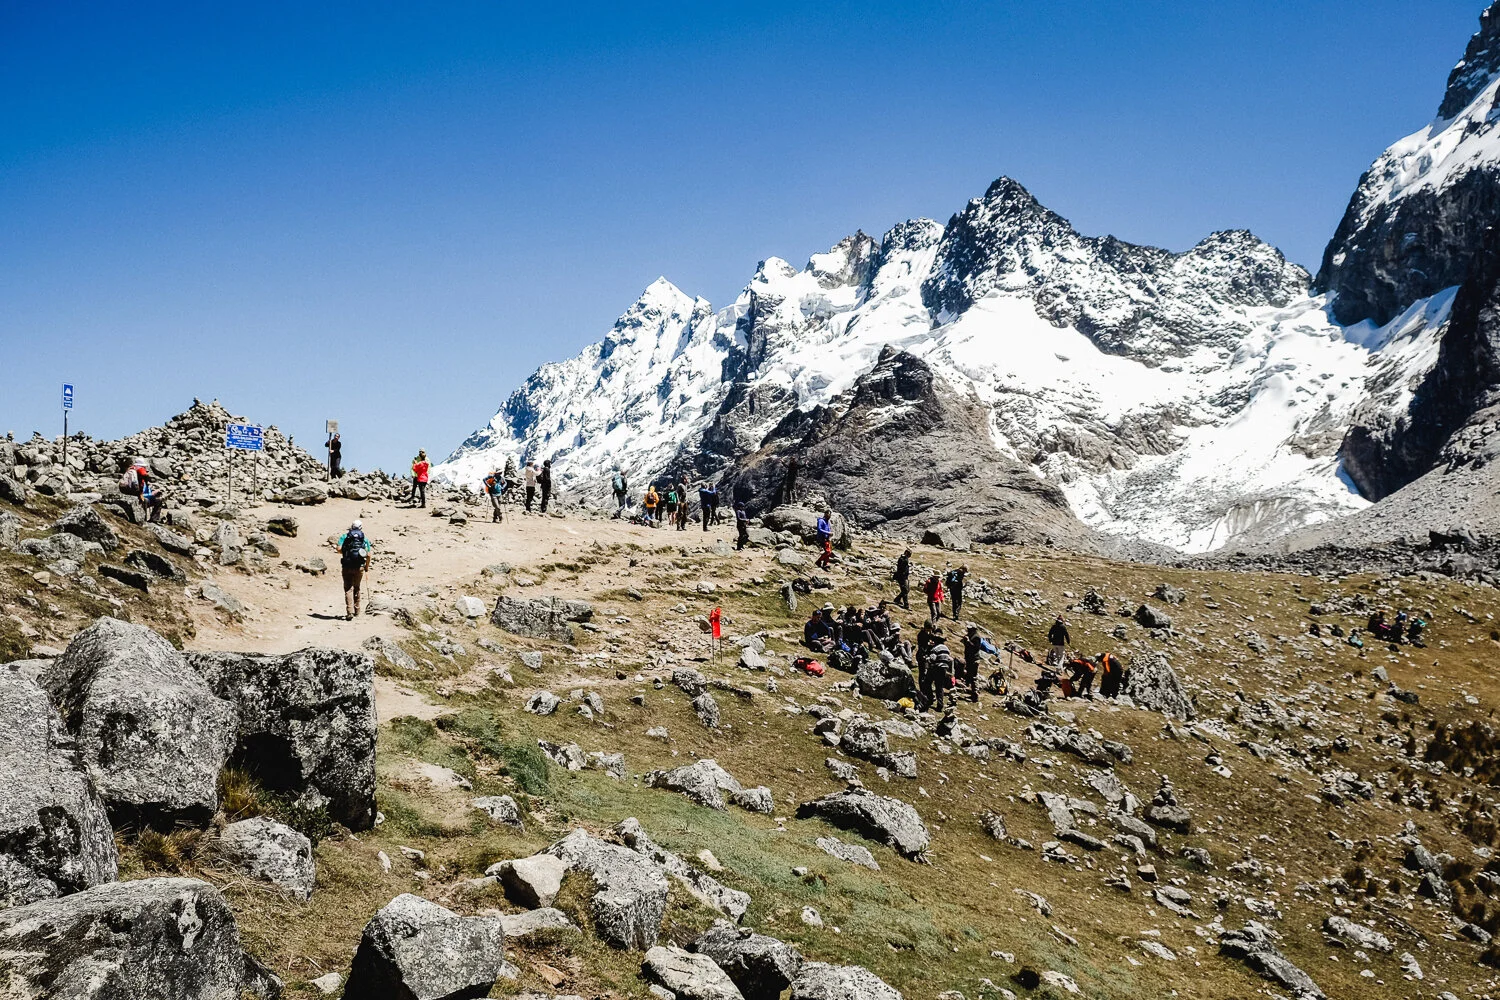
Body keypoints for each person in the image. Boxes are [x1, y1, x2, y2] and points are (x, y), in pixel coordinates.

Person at [336, 520, 373, 620]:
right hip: (359, 566)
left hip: (347, 565)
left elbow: (338, 549)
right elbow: (368, 555)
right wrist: (366, 566)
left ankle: (349, 612)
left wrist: (347, 552)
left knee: (348, 588)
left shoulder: (345, 537)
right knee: (357, 587)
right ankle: (357, 610)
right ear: (361, 528)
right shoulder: (364, 538)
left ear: (351, 527)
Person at [921, 630, 955, 711]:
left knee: (927, 682)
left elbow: (932, 659)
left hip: (936, 668)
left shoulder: (935, 648)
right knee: (939, 687)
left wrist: (926, 659)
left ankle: (930, 698)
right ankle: (940, 705)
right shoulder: (946, 649)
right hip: (944, 669)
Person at [961, 625, 984, 702]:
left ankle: (975, 696)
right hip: (969, 659)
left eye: (969, 629)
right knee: (970, 676)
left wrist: (968, 641)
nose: (968, 630)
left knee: (973, 678)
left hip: (974, 660)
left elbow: (975, 648)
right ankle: (971, 691)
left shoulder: (976, 637)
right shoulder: (970, 635)